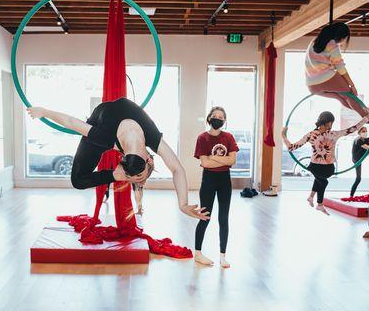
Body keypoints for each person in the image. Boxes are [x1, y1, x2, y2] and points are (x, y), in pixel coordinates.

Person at [27, 98, 209, 221]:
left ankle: (115, 175)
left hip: (114, 129)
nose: (140, 180)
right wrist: (43, 111)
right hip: (100, 119)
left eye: (137, 179)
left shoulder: (150, 137)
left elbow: (177, 169)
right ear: (149, 161)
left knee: (79, 181)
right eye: (141, 177)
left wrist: (183, 204)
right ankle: (115, 175)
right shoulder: (106, 136)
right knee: (78, 180)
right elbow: (71, 122)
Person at [282, 109, 369, 215]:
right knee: (323, 181)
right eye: (332, 122)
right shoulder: (333, 134)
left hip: (314, 167)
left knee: (320, 179)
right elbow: (354, 128)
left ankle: (311, 197)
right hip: (327, 168)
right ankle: (319, 204)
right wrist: (368, 116)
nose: (332, 125)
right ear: (328, 122)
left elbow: (291, 147)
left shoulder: (311, 134)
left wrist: (284, 136)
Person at [305, 22, 369, 119]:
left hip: (311, 85)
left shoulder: (313, 42)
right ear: (340, 36)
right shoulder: (332, 45)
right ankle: (366, 115)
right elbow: (340, 67)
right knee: (349, 95)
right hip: (327, 79)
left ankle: (366, 113)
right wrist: (352, 85)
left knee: (339, 97)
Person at [193, 107, 238, 268]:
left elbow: (232, 161)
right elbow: (205, 163)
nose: (217, 119)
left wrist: (213, 157)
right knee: (205, 217)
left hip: (225, 180)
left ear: (224, 121)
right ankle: (198, 253)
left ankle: (222, 256)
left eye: (221, 117)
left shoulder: (229, 137)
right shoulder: (202, 138)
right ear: (209, 118)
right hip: (208, 181)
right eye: (215, 116)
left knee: (223, 219)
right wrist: (223, 159)